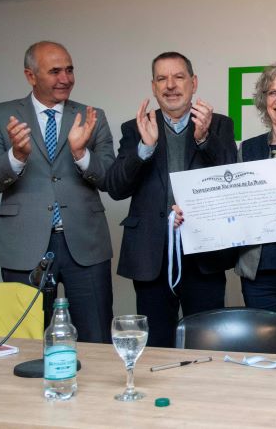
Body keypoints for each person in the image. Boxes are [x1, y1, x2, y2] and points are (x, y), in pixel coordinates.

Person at [177, 62, 276, 355]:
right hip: (258, 270)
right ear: (264, 100)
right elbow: (229, 200)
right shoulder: (247, 149)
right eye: (272, 92)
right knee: (263, 354)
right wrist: (191, 212)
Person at [0, 41, 114, 342]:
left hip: (86, 245)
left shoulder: (93, 116)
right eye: (54, 72)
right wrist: (17, 156)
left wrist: (80, 154)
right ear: (30, 75)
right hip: (22, 246)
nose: (65, 78)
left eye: (69, 70)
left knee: (97, 337)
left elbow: (109, 180)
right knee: (26, 341)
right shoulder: (0, 116)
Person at [105, 51, 238, 347]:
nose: (170, 85)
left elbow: (232, 176)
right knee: (156, 346)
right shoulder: (135, 127)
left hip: (204, 253)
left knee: (208, 343)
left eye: (178, 77)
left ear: (193, 82)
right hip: (151, 253)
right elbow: (115, 187)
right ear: (153, 87)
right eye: (162, 79)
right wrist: (144, 148)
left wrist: (204, 139)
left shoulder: (218, 124)